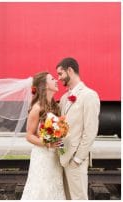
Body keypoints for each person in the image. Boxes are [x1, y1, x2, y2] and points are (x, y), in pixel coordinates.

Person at [56, 57, 100, 200]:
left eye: (60, 74)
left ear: (70, 70)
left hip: (76, 160)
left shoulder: (89, 95)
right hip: (63, 158)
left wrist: (78, 159)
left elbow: (91, 131)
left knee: (79, 198)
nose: (59, 78)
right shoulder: (63, 98)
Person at [21, 72, 66, 200]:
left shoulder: (55, 106)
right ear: (45, 86)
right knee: (42, 189)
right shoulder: (36, 108)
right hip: (42, 156)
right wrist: (48, 143)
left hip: (54, 156)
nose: (56, 80)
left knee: (54, 188)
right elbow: (29, 136)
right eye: (52, 79)